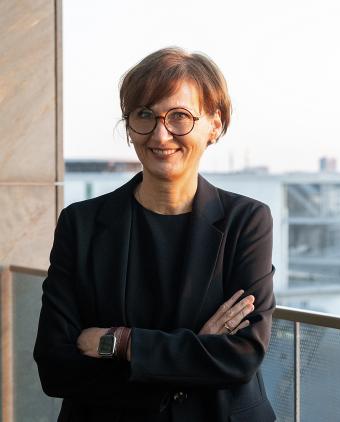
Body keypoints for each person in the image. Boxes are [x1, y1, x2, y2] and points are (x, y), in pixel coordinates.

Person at [33, 47, 276, 421]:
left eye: (180, 116)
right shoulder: (80, 224)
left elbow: (242, 355)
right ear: (129, 125)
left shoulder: (246, 222)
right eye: (145, 114)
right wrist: (195, 352)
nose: (161, 135)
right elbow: (55, 365)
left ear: (215, 123)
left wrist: (120, 343)